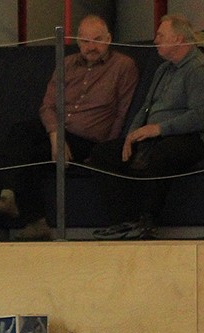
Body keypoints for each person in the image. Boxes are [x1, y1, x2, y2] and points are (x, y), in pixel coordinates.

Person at [0, 14, 138, 241]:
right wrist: (55, 134)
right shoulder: (66, 64)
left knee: (25, 155)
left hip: (87, 138)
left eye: (97, 40)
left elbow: (122, 112)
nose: (91, 47)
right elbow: (47, 106)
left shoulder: (123, 66)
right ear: (77, 41)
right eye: (85, 41)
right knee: (20, 131)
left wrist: (107, 149)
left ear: (108, 39)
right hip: (57, 129)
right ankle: (8, 195)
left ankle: (30, 216)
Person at [90, 14, 204, 241]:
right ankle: (125, 220)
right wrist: (131, 135)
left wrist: (159, 129)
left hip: (189, 136)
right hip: (155, 134)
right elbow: (145, 107)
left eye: (161, 35)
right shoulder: (163, 70)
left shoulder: (197, 69)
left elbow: (199, 115)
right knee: (104, 154)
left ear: (178, 39)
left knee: (163, 153)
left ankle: (148, 219)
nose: (155, 40)